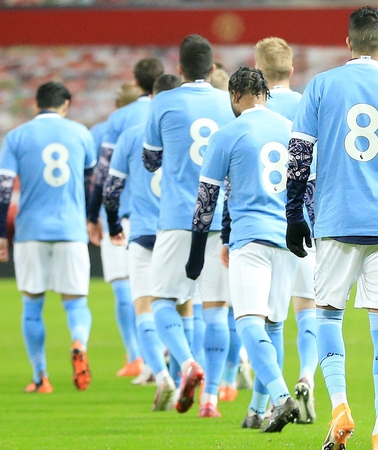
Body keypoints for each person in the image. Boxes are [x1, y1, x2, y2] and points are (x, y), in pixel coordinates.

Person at [284, 7, 378, 450]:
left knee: (328, 313)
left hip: (335, 218)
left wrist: (294, 213)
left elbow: (298, 155)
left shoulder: (322, 86)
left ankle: (340, 406)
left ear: (348, 43)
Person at [186, 67, 300, 432]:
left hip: (250, 238)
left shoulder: (227, 134)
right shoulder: (290, 130)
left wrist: (196, 252)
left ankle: (281, 398)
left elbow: (207, 199)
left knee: (249, 322)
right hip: (287, 239)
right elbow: (308, 188)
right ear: (266, 94)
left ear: (234, 96)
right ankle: (256, 410)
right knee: (275, 325)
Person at [143, 34, 235, 418]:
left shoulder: (163, 102)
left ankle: (186, 363)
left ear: (179, 68)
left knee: (162, 300)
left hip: (178, 217)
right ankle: (211, 399)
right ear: (212, 69)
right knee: (216, 310)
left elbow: (150, 160)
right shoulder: (228, 103)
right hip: (222, 219)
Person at [0, 81, 97, 394]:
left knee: (32, 305)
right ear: (65, 104)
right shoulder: (81, 133)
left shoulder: (17, 136)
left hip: (31, 232)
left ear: (36, 104)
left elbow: (3, 189)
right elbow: (92, 183)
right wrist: (91, 220)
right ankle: (78, 342)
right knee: (76, 303)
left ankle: (41, 378)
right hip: (71, 230)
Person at [103, 73, 183, 409]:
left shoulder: (131, 135)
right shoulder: (187, 133)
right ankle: (184, 374)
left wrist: (112, 225)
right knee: (184, 308)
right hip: (179, 230)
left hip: (143, 232)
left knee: (144, 308)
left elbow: (111, 189)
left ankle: (161, 377)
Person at [255, 36, 318, 425]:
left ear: (257, 71)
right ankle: (307, 375)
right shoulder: (308, 105)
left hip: (263, 224)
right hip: (307, 219)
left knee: (266, 319)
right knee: (307, 306)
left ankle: (266, 402)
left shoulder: (251, 111)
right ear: (291, 70)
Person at [90, 62, 162, 381]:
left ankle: (138, 356)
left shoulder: (113, 124)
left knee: (126, 288)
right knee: (175, 295)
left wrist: (93, 215)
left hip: (126, 215)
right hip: (171, 216)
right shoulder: (171, 112)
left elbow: (101, 173)